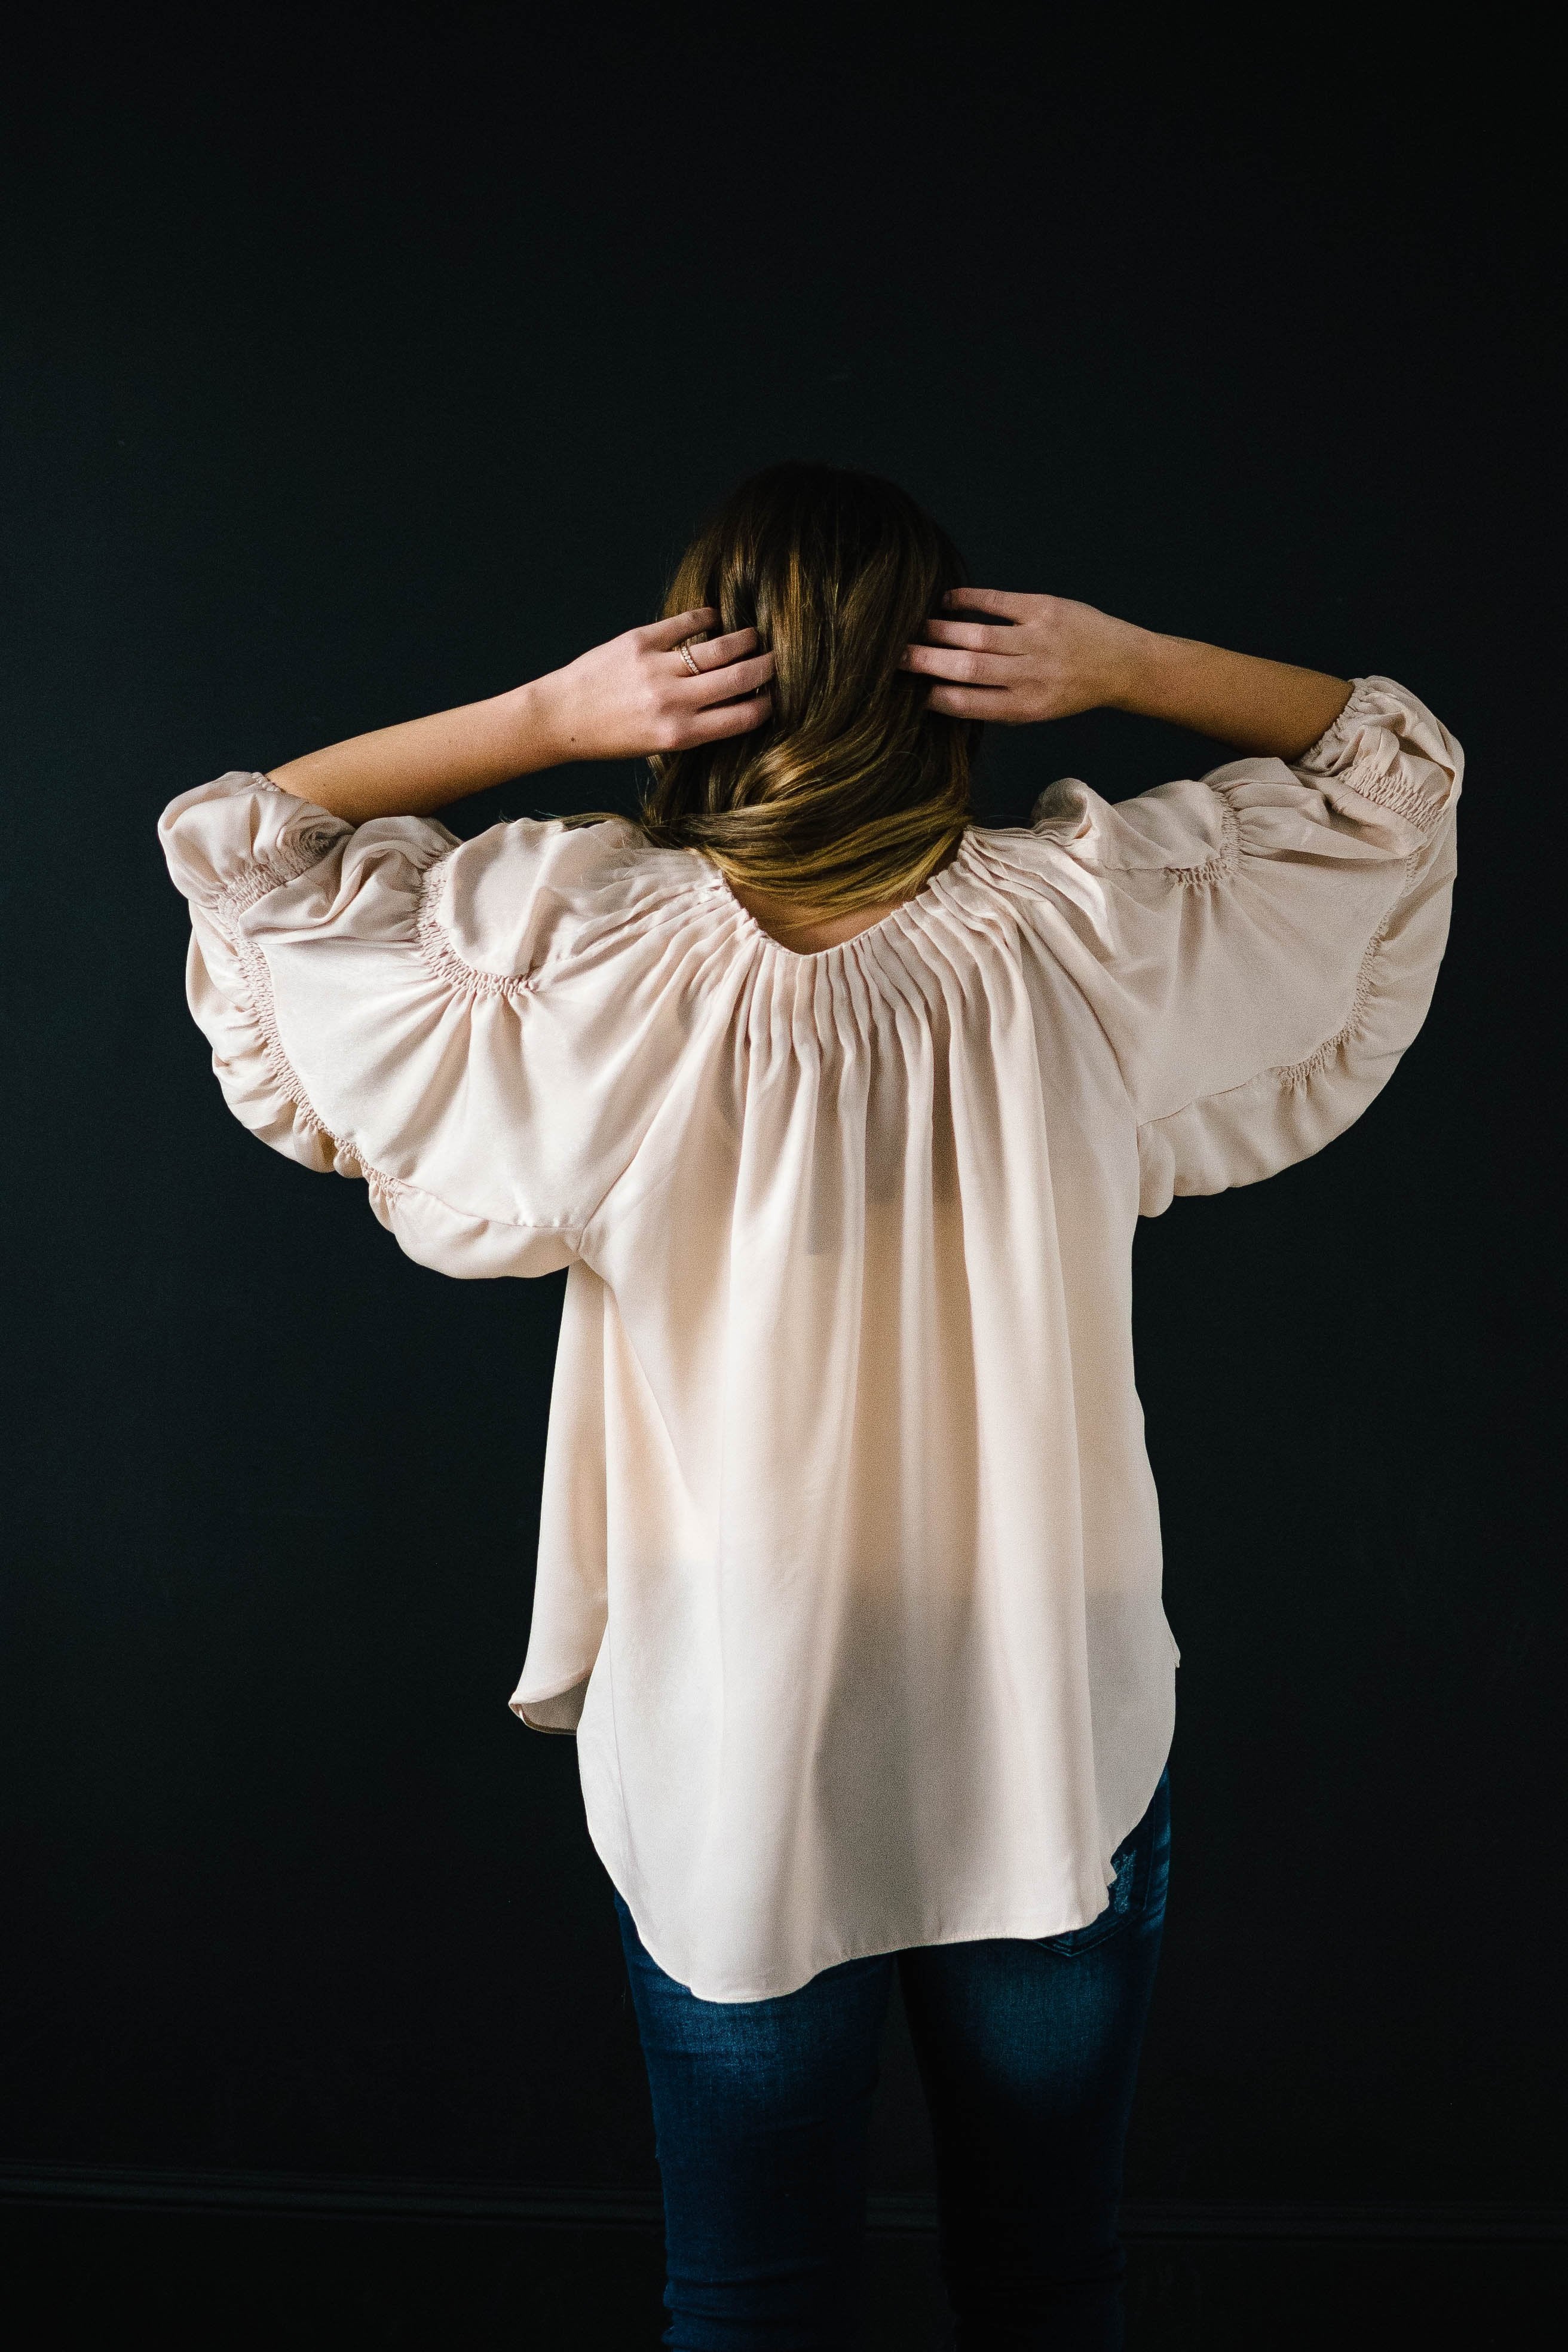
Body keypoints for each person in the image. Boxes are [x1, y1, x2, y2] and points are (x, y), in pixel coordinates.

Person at [157, 463, 1461, 2349]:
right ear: (960, 672)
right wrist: (1136, 661)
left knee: (750, 2292)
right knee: (1048, 2279)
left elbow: (246, 844)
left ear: (696, 670)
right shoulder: (1092, 934)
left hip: (729, 1695)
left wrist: (541, 720)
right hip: (1046, 1678)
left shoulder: (578, 962)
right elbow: (1390, 773)